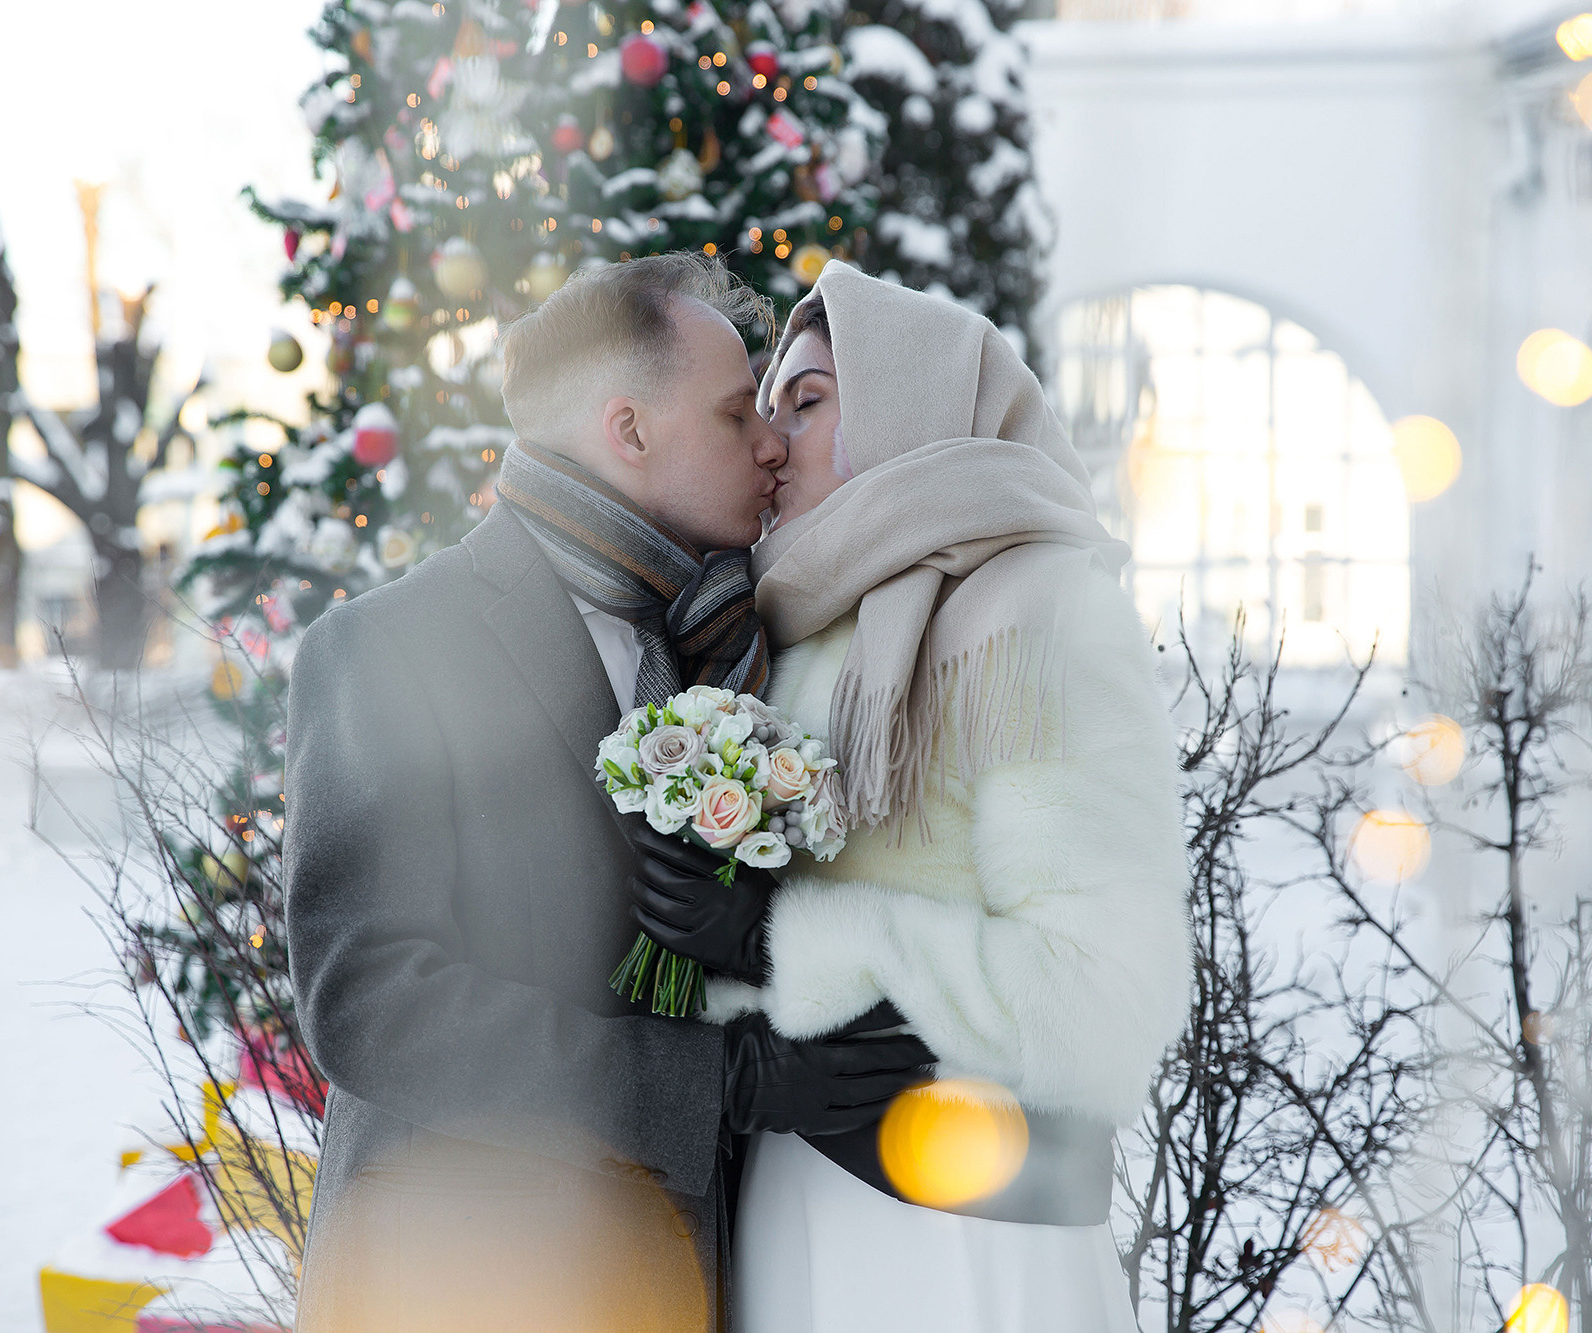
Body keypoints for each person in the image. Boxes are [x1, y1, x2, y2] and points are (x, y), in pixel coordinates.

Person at [282, 252, 935, 1333]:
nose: (772, 442)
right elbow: (371, 1002)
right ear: (627, 430)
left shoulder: (736, 650)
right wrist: (714, 1080)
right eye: (736, 415)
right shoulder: (390, 648)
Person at [626, 260, 1192, 1331]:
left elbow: (1102, 996)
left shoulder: (1034, 613)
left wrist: (769, 944)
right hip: (799, 1207)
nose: (768, 440)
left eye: (807, 401)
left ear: (909, 406)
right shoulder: (785, 630)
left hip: (963, 1240)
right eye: (760, 406)